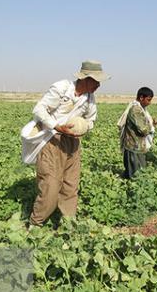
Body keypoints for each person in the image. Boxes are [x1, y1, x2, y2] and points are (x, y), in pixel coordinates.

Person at [25, 60, 109, 227]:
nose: (98, 85)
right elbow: (39, 110)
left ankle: (68, 223)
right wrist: (57, 126)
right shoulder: (62, 88)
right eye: (96, 81)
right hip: (51, 141)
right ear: (85, 78)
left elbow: (91, 120)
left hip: (72, 143)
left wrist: (84, 128)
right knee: (50, 184)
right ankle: (36, 223)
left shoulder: (90, 99)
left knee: (71, 185)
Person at [117, 87, 157, 178]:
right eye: (148, 100)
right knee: (136, 175)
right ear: (141, 98)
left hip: (138, 146)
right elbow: (143, 130)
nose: (149, 103)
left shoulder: (140, 109)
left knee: (137, 172)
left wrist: (151, 124)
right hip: (134, 147)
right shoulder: (136, 110)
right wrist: (151, 126)